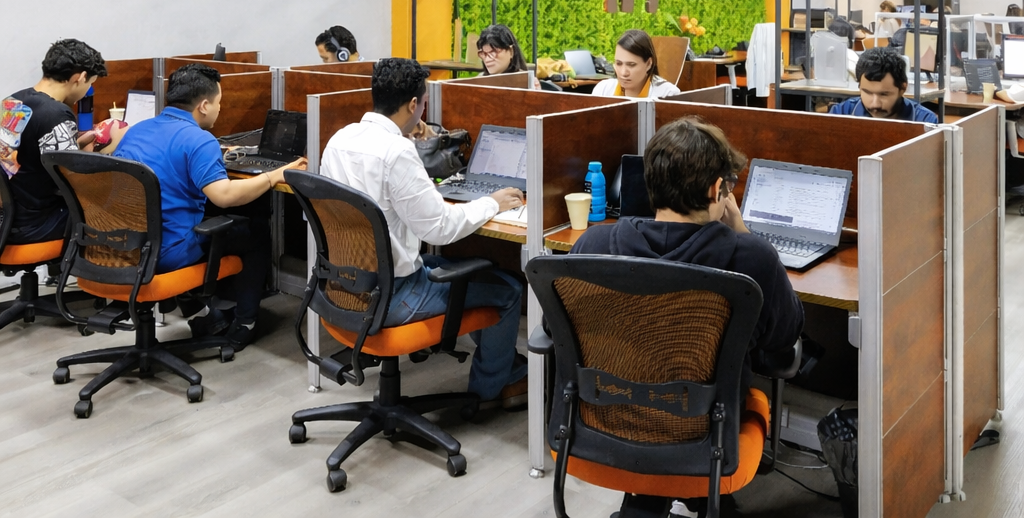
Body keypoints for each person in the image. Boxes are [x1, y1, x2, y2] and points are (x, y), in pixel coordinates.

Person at [572, 117, 804, 518]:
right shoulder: (751, 259)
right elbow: (785, 337)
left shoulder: (593, 245)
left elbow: (556, 331)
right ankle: (702, 496)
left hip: (605, 425)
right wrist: (742, 231)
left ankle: (653, 497)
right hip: (707, 436)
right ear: (717, 190)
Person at [320, 57, 529, 409]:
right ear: (414, 104)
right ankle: (489, 390)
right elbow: (440, 228)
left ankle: (502, 362)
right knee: (508, 289)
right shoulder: (396, 152)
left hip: (344, 288)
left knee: (465, 271)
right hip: (393, 297)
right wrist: (491, 202)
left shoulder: (340, 139)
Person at [113, 63, 305, 348]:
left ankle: (207, 313)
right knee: (256, 232)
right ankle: (244, 324)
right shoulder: (199, 140)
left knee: (214, 219)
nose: (219, 109)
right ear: (204, 105)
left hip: (124, 245)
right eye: (218, 102)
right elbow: (224, 196)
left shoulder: (137, 131)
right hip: (168, 252)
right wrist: (273, 176)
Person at [0, 39, 108, 244]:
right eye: (90, 84)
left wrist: (77, 143)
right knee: (111, 209)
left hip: (8, 218)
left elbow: (29, 153)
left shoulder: (12, 101)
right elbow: (76, 182)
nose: (86, 91)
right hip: (35, 224)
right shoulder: (56, 114)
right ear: (80, 77)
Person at [828, 47, 937, 123]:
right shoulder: (842, 113)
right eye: (867, 92)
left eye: (884, 94)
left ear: (902, 88)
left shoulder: (924, 122)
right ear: (859, 86)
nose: (875, 104)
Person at [592, 29, 681, 99]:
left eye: (631, 65)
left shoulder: (668, 94)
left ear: (648, 64)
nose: (623, 73)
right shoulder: (602, 90)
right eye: (619, 63)